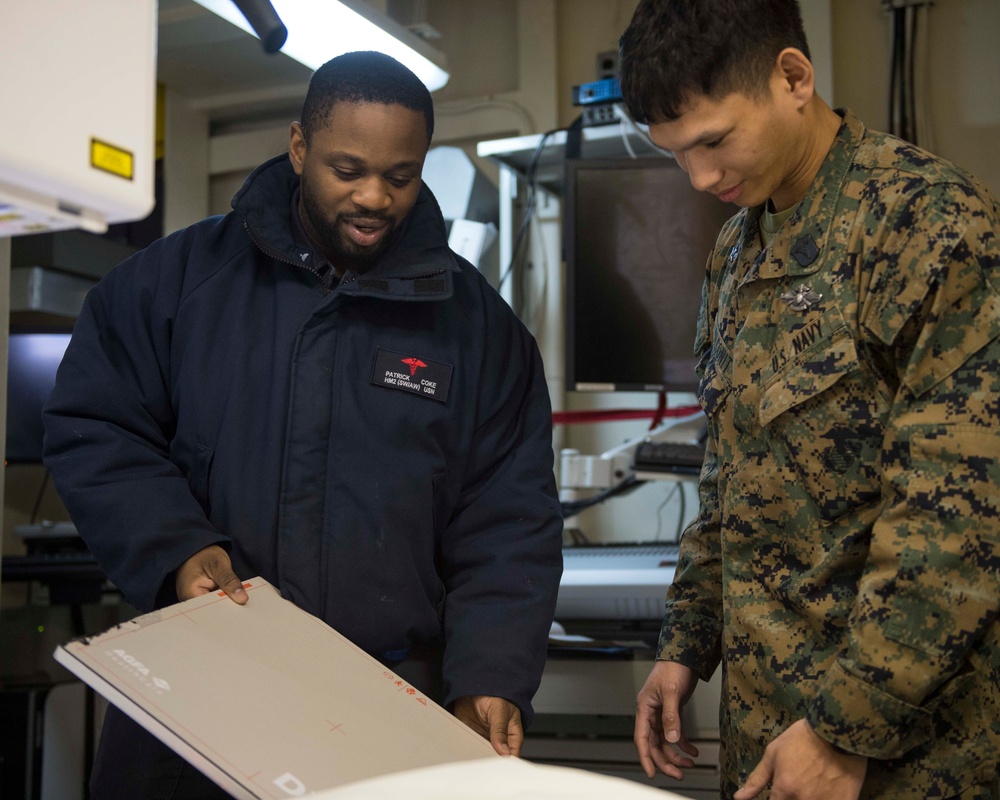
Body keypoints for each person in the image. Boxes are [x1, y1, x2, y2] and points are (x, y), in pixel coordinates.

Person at [42, 51, 563, 799]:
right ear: (298, 148)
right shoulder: (175, 283)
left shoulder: (481, 331)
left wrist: (491, 675)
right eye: (347, 170)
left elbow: (509, 524)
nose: (375, 197)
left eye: (401, 176)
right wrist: (177, 547)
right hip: (194, 695)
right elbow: (98, 422)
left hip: (386, 709)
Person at [617, 1, 1000, 798]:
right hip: (767, 740)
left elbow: (957, 521)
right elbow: (728, 480)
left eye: (716, 141)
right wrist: (684, 645)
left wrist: (844, 728)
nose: (703, 179)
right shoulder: (736, 251)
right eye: (677, 156)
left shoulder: (929, 224)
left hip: (903, 753)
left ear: (794, 77)